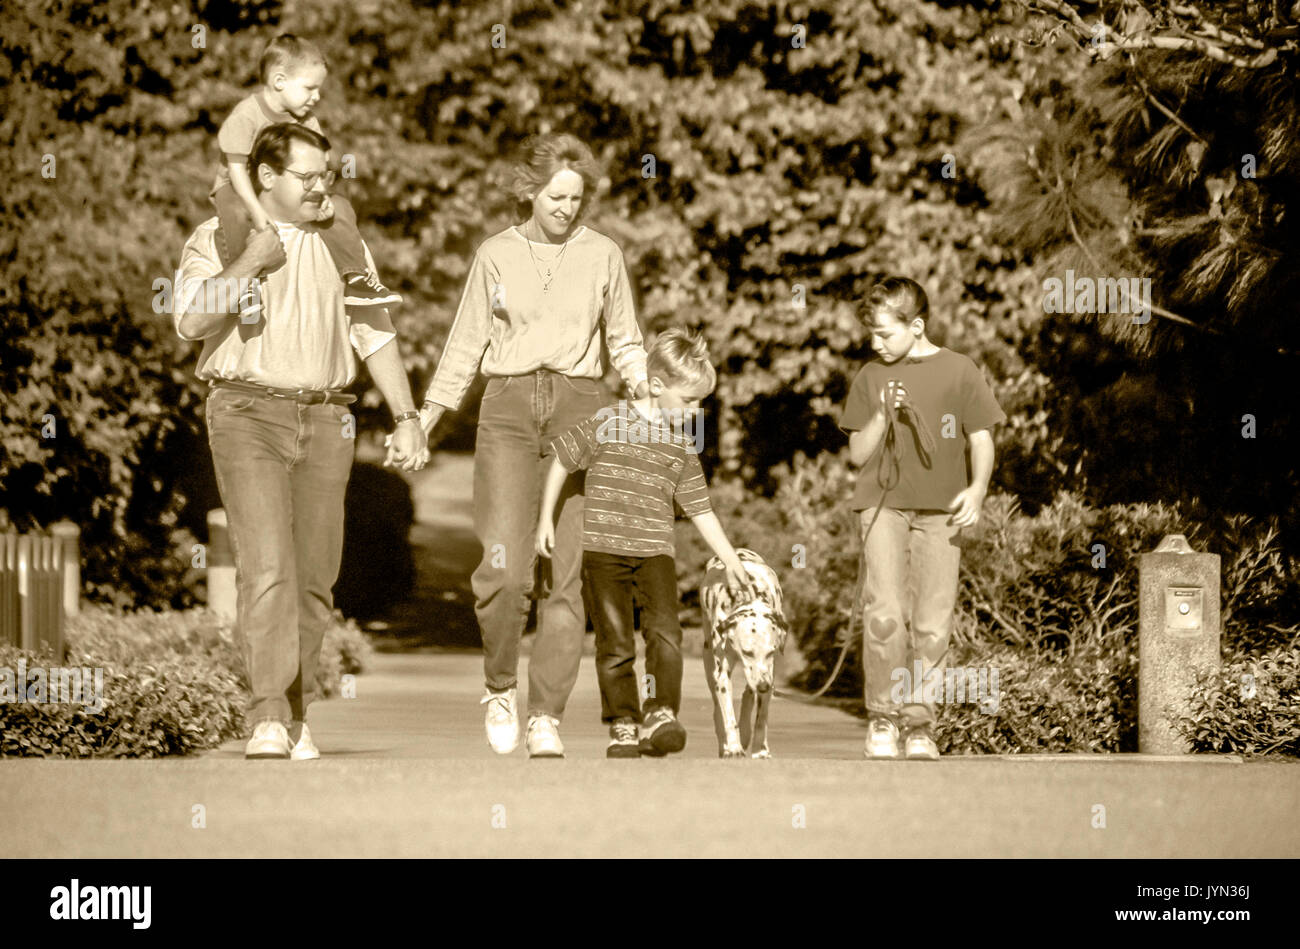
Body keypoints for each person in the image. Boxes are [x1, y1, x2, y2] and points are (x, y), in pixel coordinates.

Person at [174, 122, 428, 760]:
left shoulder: (342, 240)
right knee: (267, 569)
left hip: (326, 418)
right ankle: (266, 715)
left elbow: (374, 330)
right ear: (267, 178)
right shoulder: (217, 237)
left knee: (316, 578)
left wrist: (406, 415)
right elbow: (190, 320)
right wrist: (252, 261)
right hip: (247, 413)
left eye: (327, 175)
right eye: (308, 177)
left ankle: (294, 713)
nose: (323, 186)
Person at [419, 133, 650, 758]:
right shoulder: (495, 253)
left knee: (566, 578)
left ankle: (545, 714)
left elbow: (625, 337)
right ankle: (499, 685)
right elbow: (465, 344)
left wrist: (645, 393)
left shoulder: (604, 254)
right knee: (502, 569)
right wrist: (426, 417)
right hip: (509, 410)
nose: (566, 208)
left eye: (576, 197)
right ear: (529, 190)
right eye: (555, 195)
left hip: (581, 408)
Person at [537, 329, 753, 758]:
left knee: (665, 635)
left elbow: (700, 509)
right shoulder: (609, 421)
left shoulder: (681, 446)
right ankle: (622, 722)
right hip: (603, 552)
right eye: (688, 401)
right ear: (656, 386)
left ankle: (660, 713)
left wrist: (730, 560)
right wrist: (546, 517)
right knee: (615, 642)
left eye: (700, 404)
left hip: (655, 553)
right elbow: (562, 457)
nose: (695, 412)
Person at [838, 277, 1005, 760]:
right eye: (871, 333)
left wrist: (978, 489)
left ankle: (920, 726)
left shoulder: (960, 370)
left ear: (916, 325)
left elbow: (981, 438)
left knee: (933, 621)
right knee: (885, 613)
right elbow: (856, 454)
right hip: (882, 506)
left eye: (885, 333)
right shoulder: (870, 376)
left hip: (942, 511)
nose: (875, 343)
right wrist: (880, 419)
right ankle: (884, 720)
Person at [209, 33, 400, 320]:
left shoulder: (308, 122)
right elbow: (236, 170)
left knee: (341, 208)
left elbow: (320, 163)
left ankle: (355, 277)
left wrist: (322, 196)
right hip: (239, 187)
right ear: (279, 81)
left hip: (286, 190)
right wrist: (257, 212)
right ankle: (245, 284)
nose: (317, 97)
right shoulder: (246, 116)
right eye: (310, 88)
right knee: (235, 212)